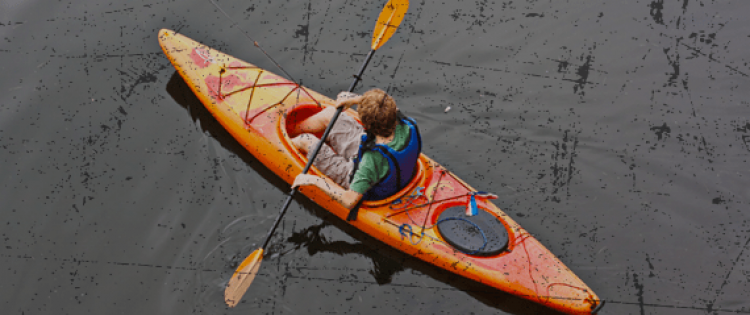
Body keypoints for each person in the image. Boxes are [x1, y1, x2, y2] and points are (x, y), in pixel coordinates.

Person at [290, 88, 421, 213]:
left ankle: (283, 141)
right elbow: (385, 103)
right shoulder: (407, 124)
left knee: (305, 139)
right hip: (385, 167)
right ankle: (291, 129)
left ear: (366, 125)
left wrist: (314, 180)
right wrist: (354, 99)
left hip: (356, 178)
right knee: (330, 114)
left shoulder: (372, 159)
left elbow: (349, 201)